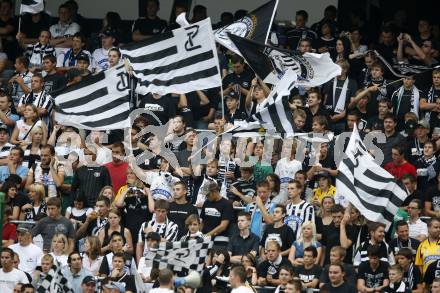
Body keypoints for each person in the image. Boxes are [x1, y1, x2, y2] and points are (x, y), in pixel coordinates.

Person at [136, 199, 179, 263]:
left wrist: (152, 233)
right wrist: (139, 263)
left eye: (163, 211)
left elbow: (169, 244)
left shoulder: (173, 226)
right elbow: (140, 245)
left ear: (167, 212)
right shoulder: (145, 225)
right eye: (158, 211)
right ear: (155, 211)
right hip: (147, 259)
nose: (160, 214)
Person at [200, 181, 233, 247]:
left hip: (220, 237)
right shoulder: (206, 202)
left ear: (215, 191)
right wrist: (199, 234)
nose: (206, 197)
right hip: (205, 236)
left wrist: (207, 235)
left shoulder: (227, 204)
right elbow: (202, 221)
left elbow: (223, 226)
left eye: (208, 194)